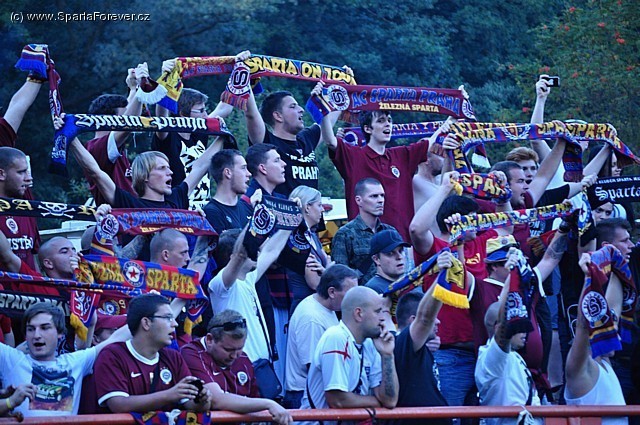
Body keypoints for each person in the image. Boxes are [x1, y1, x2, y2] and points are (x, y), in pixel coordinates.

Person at [321, 110, 449, 242]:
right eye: (381, 121)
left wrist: (451, 119)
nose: (387, 124)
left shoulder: (401, 155)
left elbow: (430, 143)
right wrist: (323, 109)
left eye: (389, 120)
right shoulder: (354, 156)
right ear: (367, 128)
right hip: (366, 245)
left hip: (402, 244)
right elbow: (330, 141)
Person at [0, 303, 129, 417]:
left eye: (45, 328)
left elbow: (117, 338)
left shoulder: (75, 362)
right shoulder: (10, 359)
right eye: (31, 329)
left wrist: (141, 310)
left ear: (60, 333)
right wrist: (9, 402)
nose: (36, 335)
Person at [93, 293, 211, 413]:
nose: (175, 324)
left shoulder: (173, 357)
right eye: (168, 318)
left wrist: (202, 400)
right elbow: (119, 404)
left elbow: (191, 404)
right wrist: (169, 394)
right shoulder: (112, 355)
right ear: (146, 323)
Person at [299, 286, 399, 425]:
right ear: (359, 314)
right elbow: (338, 400)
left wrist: (387, 355)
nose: (383, 318)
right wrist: (377, 402)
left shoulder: (370, 343)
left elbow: (390, 400)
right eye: (377, 311)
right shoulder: (336, 337)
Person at [241, 64, 342, 197]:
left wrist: (342, 81)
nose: (301, 110)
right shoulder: (267, 143)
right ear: (278, 116)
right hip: (280, 209)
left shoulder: (306, 139)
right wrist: (243, 71)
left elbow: (335, 111)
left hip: (312, 210)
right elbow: (251, 114)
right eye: (293, 106)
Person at [181, 310, 292, 425]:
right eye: (228, 349)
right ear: (209, 340)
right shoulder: (191, 353)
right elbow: (216, 399)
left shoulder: (243, 360)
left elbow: (253, 401)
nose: (234, 356)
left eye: (240, 348)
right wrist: (268, 404)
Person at [475, 249, 542, 425]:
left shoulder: (515, 357)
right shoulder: (491, 358)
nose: (524, 331)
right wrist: (512, 276)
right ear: (497, 327)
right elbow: (505, 320)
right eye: (518, 326)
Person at [390, 252, 455, 425]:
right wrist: (442, 276)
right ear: (413, 321)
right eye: (435, 318)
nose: (438, 321)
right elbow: (425, 317)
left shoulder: (419, 348)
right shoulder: (401, 344)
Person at [564, 253, 627, 425]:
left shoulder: (605, 363)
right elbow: (583, 326)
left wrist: (617, 266)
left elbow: (614, 308)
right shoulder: (580, 370)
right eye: (611, 331)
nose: (617, 337)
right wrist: (588, 279)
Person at [284, 264, 358, 408]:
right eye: (350, 294)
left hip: (316, 391)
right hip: (305, 396)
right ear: (332, 292)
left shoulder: (327, 307)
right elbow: (314, 367)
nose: (354, 299)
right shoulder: (311, 318)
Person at [83, 64, 146, 205]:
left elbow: (126, 117)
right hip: (117, 215)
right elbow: (128, 123)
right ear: (109, 119)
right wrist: (142, 88)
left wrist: (133, 88)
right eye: (121, 117)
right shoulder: (97, 147)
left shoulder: (109, 144)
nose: (125, 118)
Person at [331, 177, 396, 284]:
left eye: (382, 195)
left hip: (390, 290)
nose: (381, 200)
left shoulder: (390, 232)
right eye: (374, 196)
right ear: (359, 200)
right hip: (362, 292)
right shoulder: (345, 234)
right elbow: (339, 277)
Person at [287, 185, 330, 314]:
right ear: (307, 207)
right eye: (319, 205)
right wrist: (328, 270)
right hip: (306, 309)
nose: (322, 209)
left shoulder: (312, 235)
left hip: (317, 306)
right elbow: (315, 283)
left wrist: (325, 271)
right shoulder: (298, 239)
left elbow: (329, 262)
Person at [0, 147, 39, 271]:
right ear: (1, 174)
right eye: (21, 172)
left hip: (30, 283)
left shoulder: (26, 210)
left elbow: (32, 256)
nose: (28, 178)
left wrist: (39, 282)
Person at [203, 149, 252, 233]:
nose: (249, 174)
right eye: (243, 168)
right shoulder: (212, 212)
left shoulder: (246, 208)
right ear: (228, 173)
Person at [365, 229, 411, 294]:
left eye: (400, 251)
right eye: (390, 253)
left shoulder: (406, 283)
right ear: (376, 259)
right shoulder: (373, 291)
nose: (399, 257)